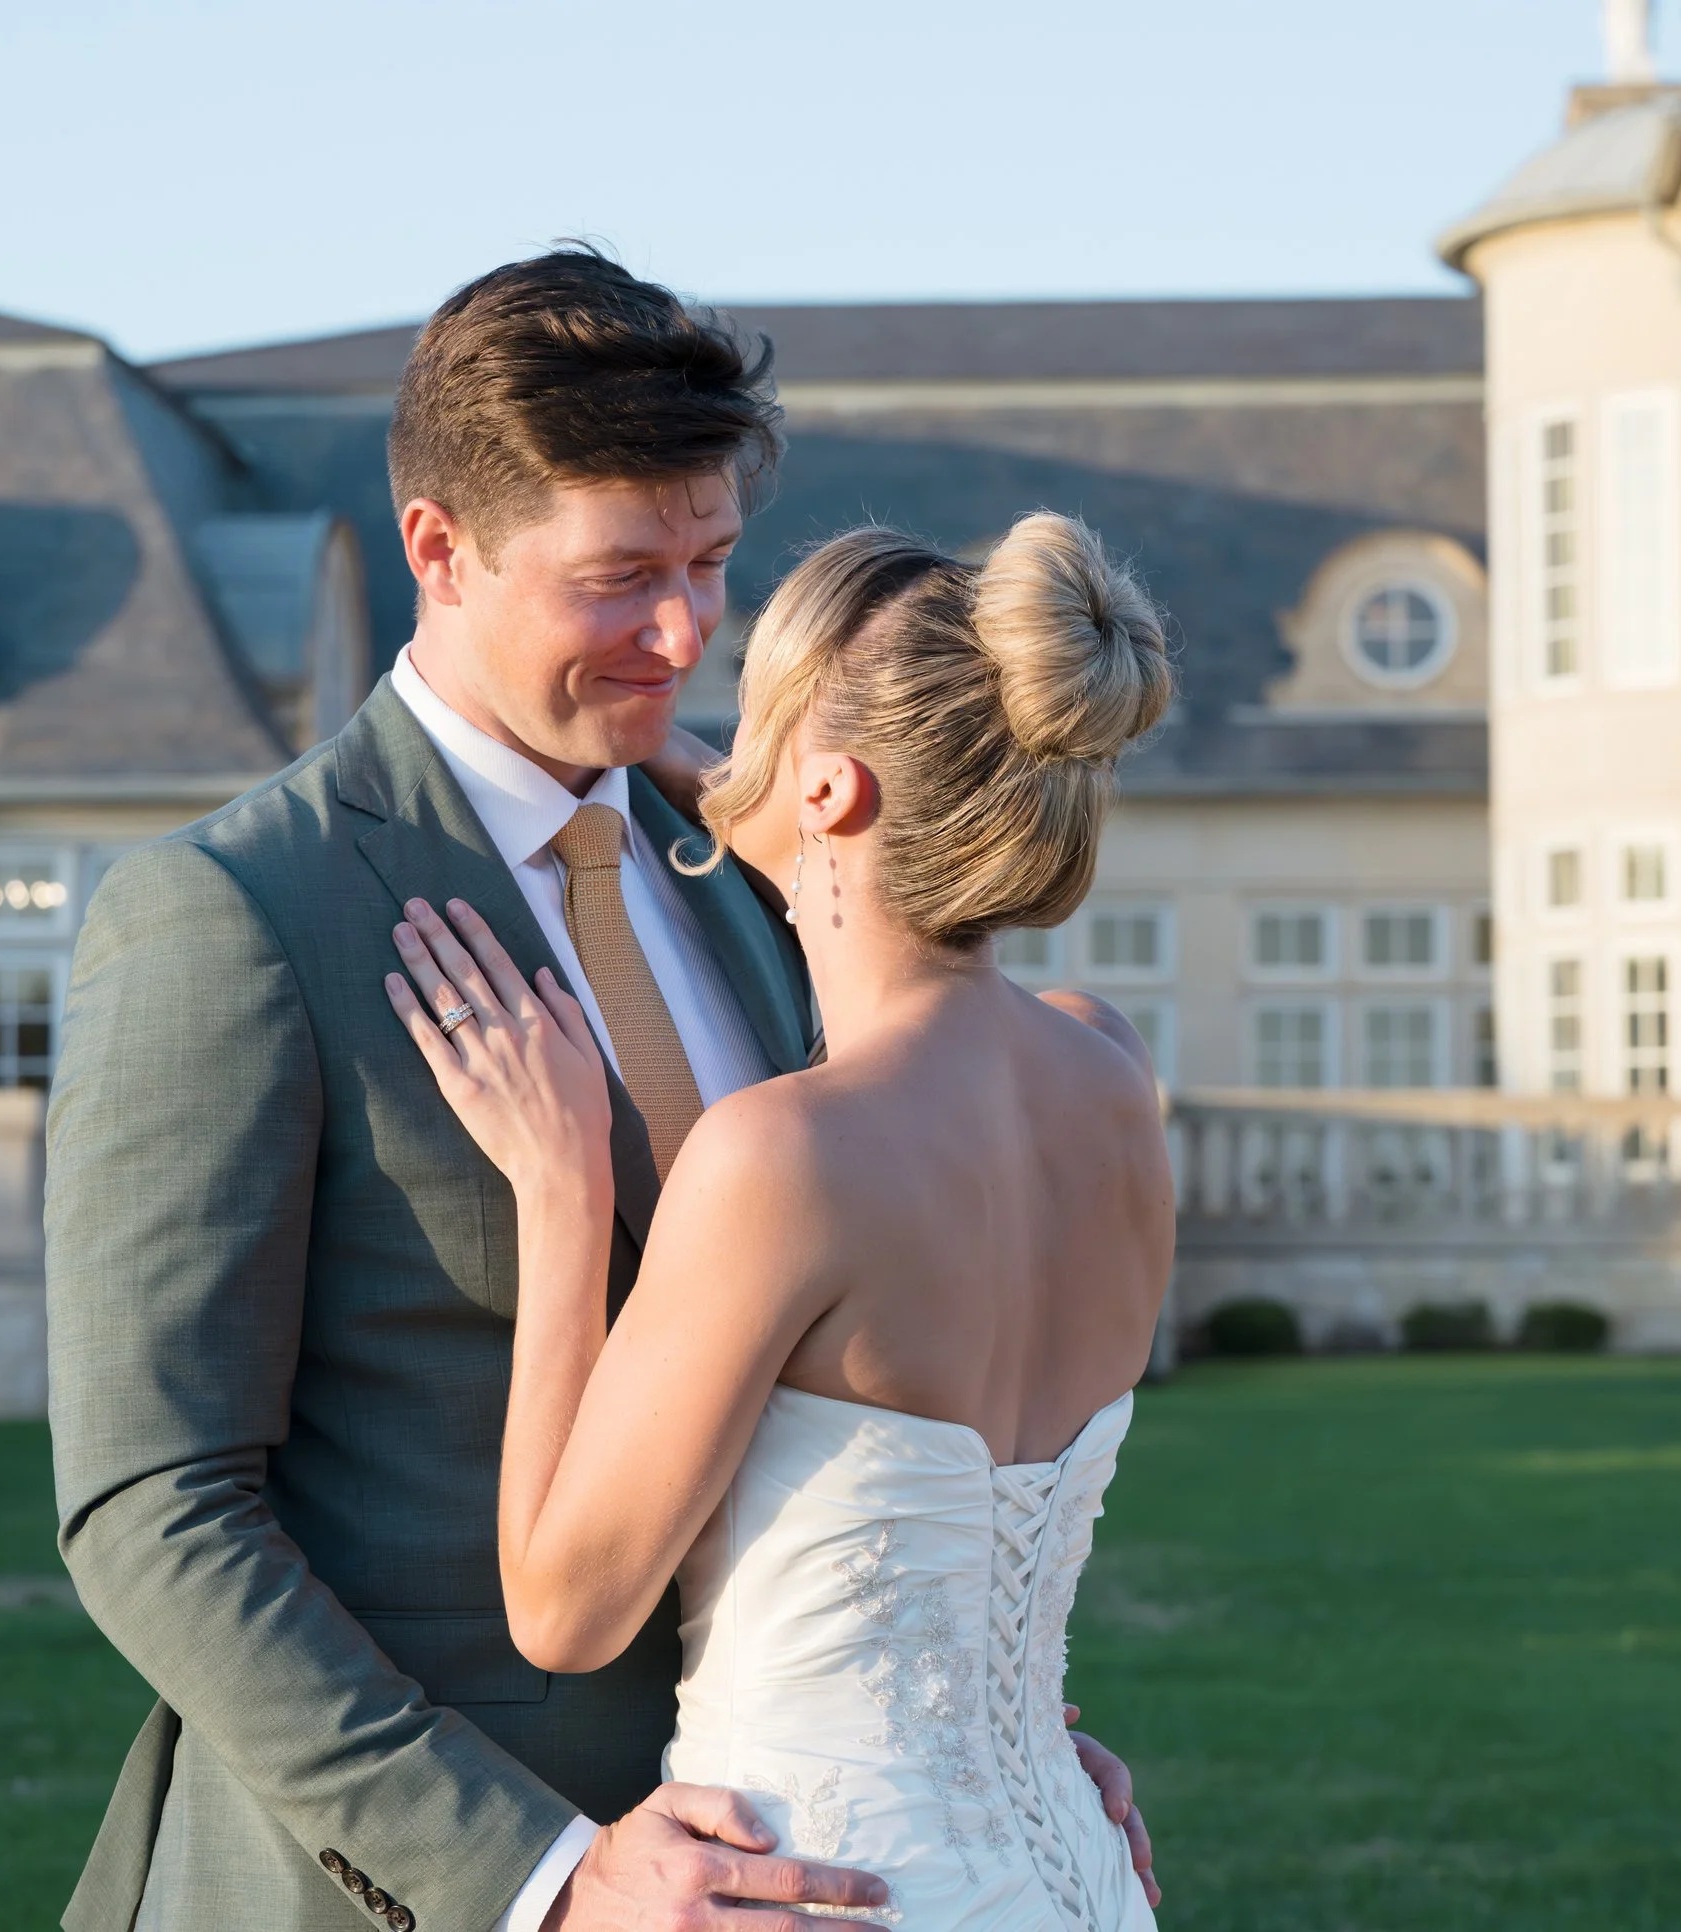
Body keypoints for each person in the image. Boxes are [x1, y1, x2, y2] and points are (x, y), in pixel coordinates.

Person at [45, 248, 1153, 1932]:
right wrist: (541, 1878)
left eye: (711, 560)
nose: (687, 628)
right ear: (442, 550)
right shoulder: (237, 917)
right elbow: (155, 1507)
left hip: (817, 1858)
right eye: (623, 573)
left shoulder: (765, 877)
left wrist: (998, 1744)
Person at [382, 508, 1177, 1930]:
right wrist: (766, 790)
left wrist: (568, 1195)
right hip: (1081, 1880)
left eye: (751, 717)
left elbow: (566, 1612)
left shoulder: (785, 1156)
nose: (710, 747)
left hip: (816, 1892)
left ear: (829, 791)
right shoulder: (1109, 1073)